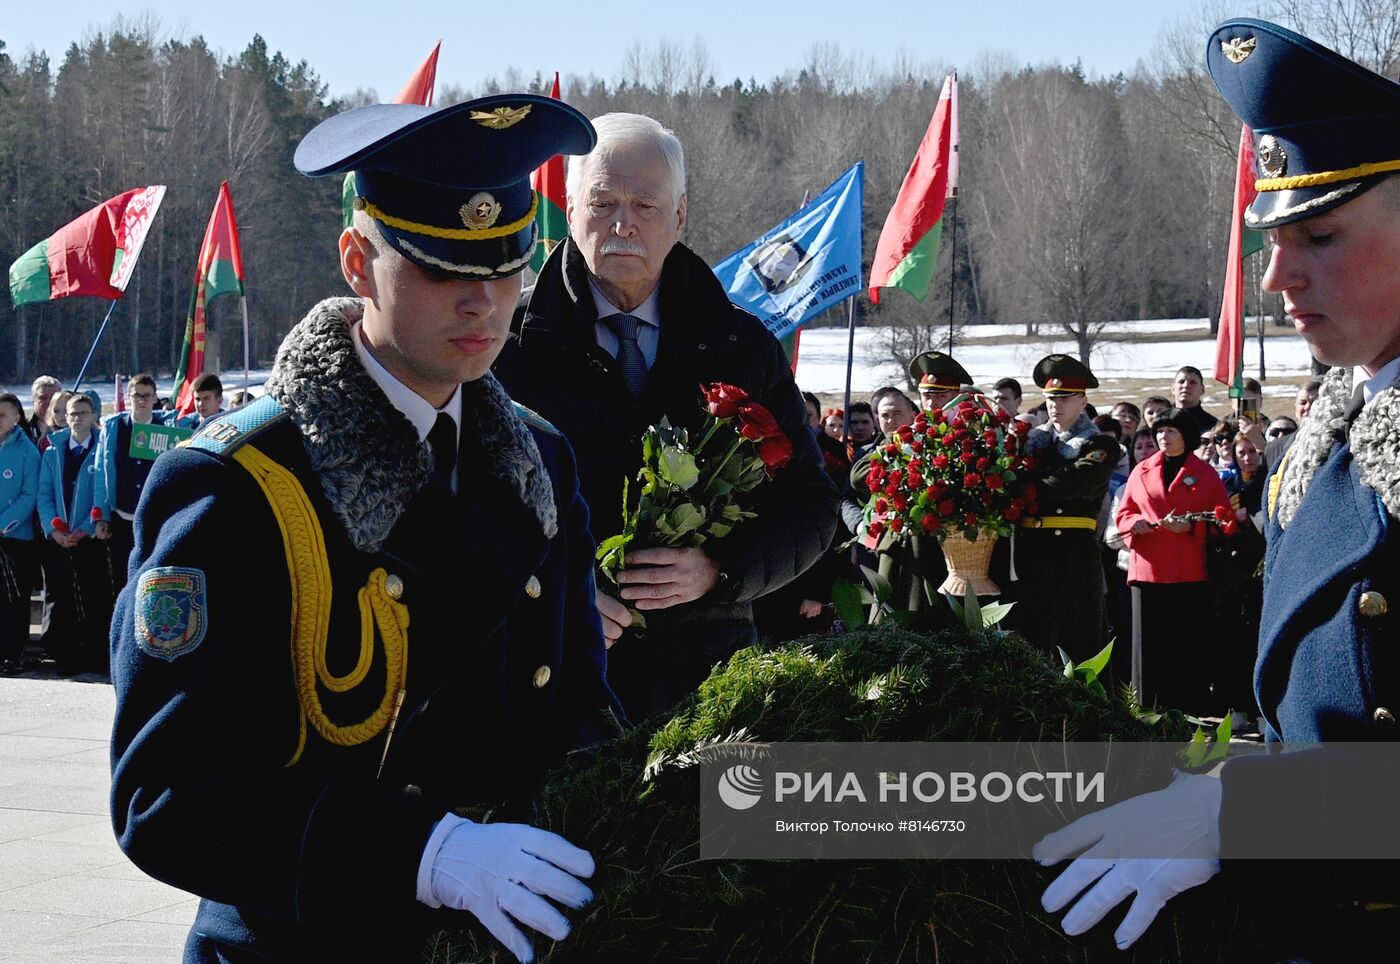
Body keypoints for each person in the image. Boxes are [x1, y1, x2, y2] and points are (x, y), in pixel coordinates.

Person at [109, 94, 620, 964]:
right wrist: (421, 851)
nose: (483, 303)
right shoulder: (238, 482)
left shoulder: (537, 458)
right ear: (357, 259)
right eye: (439, 268)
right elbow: (166, 796)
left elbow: (577, 710)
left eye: (505, 269)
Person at [1039, 22, 1400, 955]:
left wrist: (1245, 814)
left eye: (1320, 234)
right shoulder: (1329, 440)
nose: (1278, 274)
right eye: (1275, 238)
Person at [493, 111, 837, 723]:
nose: (623, 223)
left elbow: (810, 506)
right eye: (602, 202)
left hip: (708, 686)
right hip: (551, 683)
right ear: (569, 211)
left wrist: (721, 571)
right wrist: (550, 598)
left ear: (679, 217)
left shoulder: (741, 346)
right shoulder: (505, 348)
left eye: (646, 205)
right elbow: (463, 508)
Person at [1006, 355, 1118, 660]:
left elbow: (1078, 482)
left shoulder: (1101, 445)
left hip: (1075, 556)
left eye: (1066, 398)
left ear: (1083, 402)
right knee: (1035, 639)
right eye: (1051, 398)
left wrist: (1028, 481)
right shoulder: (1029, 441)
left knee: (1080, 639)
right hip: (1033, 552)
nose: (1056, 405)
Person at [93, 374, 188, 595]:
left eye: (147, 396)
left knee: (151, 580)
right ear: (129, 397)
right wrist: (100, 516)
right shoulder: (115, 429)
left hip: (153, 519)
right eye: (137, 395)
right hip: (121, 516)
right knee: (120, 580)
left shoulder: (167, 430)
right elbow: (101, 473)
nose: (142, 401)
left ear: (155, 398)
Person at [38, 392, 108, 675]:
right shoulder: (53, 450)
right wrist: (53, 528)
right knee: (62, 596)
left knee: (92, 595)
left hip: (87, 537)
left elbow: (102, 489)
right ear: (64, 417)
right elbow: (44, 494)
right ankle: (64, 657)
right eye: (72, 414)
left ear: (93, 416)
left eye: (82, 413)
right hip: (59, 537)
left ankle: (93, 655)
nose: (77, 419)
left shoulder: (101, 447)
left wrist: (87, 528)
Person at [0, 393, 39, 675]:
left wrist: (4, 523)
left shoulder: (27, 451)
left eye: (3, 415)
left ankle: (13, 653)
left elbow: (30, 495)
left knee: (14, 598)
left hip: (14, 538)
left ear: (16, 417)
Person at [1171, 365, 1219, 434]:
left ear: (1202, 390)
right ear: (1173, 389)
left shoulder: (1213, 426)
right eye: (1181, 382)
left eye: (1192, 382)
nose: (1186, 385)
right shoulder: (1161, 421)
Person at [27, 375, 60, 446]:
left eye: (53, 397)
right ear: (33, 401)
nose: (49, 402)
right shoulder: (23, 430)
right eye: (43, 397)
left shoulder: (71, 429)